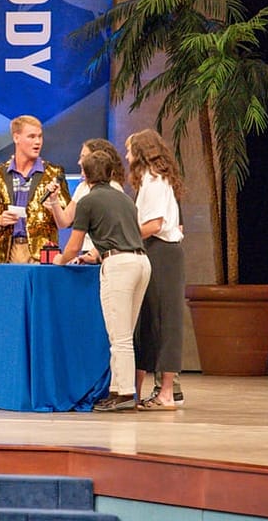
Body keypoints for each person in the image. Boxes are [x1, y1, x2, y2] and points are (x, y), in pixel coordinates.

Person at [52, 148, 150, 412]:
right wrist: (94, 254)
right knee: (125, 332)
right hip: (142, 262)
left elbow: (73, 246)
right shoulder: (125, 199)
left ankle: (125, 393)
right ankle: (118, 389)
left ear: (85, 176)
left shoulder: (87, 201)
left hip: (118, 265)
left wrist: (60, 260)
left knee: (119, 335)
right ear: (109, 173)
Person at [126, 128, 186, 410]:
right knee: (149, 320)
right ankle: (141, 392)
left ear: (140, 153)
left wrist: (124, 236)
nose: (126, 156)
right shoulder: (153, 180)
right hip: (156, 251)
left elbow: (154, 224)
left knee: (165, 320)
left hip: (162, 253)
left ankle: (166, 393)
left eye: (129, 151)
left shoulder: (154, 180)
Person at [0, 115, 71, 263]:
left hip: (42, 253)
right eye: (32, 137)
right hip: (8, 253)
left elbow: (69, 217)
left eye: (40, 136)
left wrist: (54, 208)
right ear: (16, 138)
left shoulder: (53, 174)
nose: (38, 142)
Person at [45, 137, 126, 261]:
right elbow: (64, 221)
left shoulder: (113, 188)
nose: (79, 162)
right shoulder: (82, 188)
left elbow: (115, 231)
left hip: (105, 254)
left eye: (83, 157)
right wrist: (54, 200)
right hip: (85, 251)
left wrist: (93, 253)